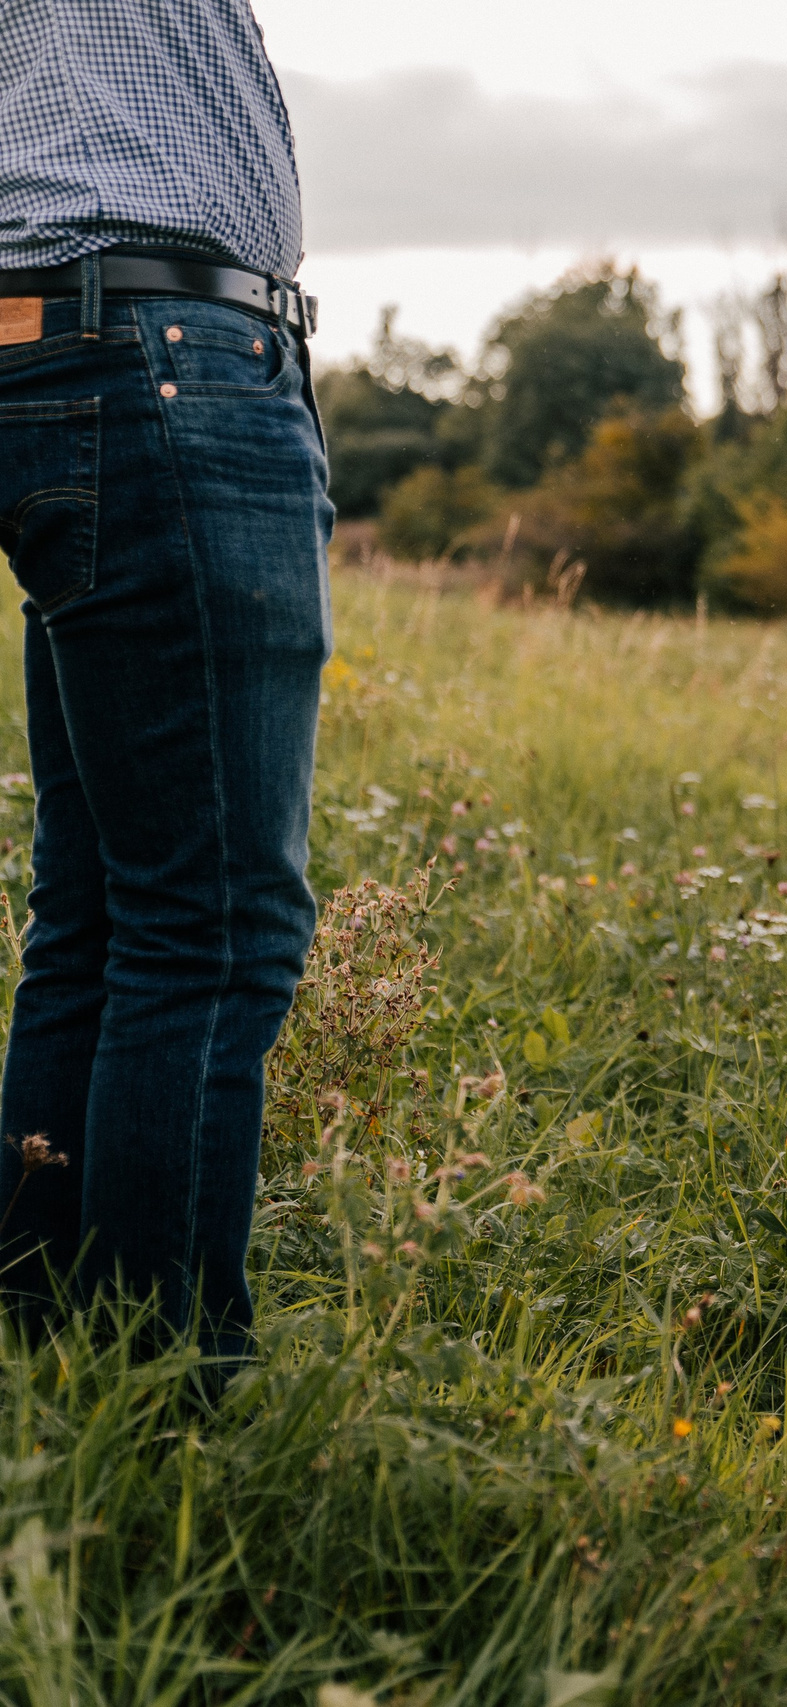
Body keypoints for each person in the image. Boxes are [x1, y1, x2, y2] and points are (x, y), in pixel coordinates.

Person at [0, 4, 329, 1380]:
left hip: (86, 348)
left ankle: (41, 1329)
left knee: (100, 914)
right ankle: (167, 1379)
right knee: (209, 924)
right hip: (160, 355)